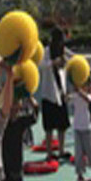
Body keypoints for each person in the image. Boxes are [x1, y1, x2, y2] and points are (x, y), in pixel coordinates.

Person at [40, 27, 72, 160]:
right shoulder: (46, 51)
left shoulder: (63, 51)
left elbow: (73, 58)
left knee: (62, 125)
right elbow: (41, 65)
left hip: (61, 93)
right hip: (49, 94)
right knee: (49, 126)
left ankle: (61, 150)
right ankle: (49, 153)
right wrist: (53, 63)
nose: (61, 43)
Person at [71, 78, 91, 181]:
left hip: (87, 128)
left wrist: (79, 91)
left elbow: (89, 100)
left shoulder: (89, 96)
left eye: (86, 85)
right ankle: (80, 175)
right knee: (78, 153)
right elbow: (67, 99)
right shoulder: (76, 96)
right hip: (77, 128)